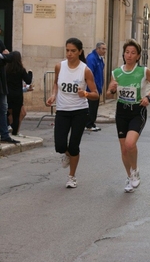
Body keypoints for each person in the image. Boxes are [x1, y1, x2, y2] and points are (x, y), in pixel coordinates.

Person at [106, 39, 150, 193]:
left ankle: (135, 170)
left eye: (133, 53)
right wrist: (111, 90)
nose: (129, 56)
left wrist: (148, 97)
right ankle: (130, 177)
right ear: (123, 54)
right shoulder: (116, 73)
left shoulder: (143, 71)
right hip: (121, 111)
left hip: (137, 110)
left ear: (138, 56)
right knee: (124, 149)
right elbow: (109, 95)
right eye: (127, 52)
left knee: (130, 144)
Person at [46, 38, 99, 188]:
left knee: (74, 145)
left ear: (80, 52)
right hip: (62, 110)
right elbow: (56, 83)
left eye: (73, 51)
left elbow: (96, 94)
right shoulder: (59, 66)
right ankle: (67, 154)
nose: (69, 54)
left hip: (79, 111)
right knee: (60, 146)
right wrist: (53, 95)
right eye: (67, 50)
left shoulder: (85, 70)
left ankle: (72, 177)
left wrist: (86, 94)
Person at [5, 51, 33, 136]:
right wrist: (30, 73)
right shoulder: (21, 69)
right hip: (17, 95)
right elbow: (28, 80)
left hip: (8, 93)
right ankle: (14, 132)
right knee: (16, 114)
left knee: (6, 112)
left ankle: (7, 126)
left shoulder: (6, 69)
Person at [85, 41, 107, 132]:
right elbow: (90, 74)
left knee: (94, 107)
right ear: (97, 49)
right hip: (91, 89)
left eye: (105, 49)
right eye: (103, 49)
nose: (104, 51)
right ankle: (89, 124)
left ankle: (92, 123)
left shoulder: (100, 59)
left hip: (98, 87)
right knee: (91, 107)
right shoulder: (92, 58)